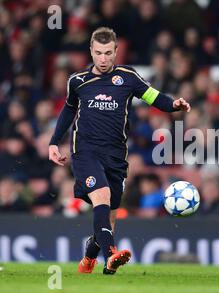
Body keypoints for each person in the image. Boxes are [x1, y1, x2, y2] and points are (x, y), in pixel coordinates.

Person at [49, 27, 190, 275]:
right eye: (98, 53)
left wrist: (173, 105)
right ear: (91, 52)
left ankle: (89, 257)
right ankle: (111, 256)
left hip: (115, 156)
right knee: (101, 196)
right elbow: (68, 111)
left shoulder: (128, 77)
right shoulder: (78, 81)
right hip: (85, 152)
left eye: (108, 53)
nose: (103, 59)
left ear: (116, 52)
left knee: (109, 221)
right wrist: (53, 142)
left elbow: (153, 96)